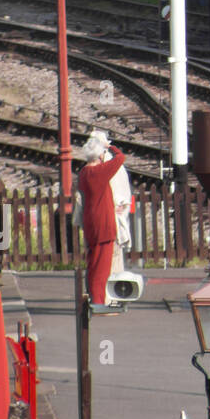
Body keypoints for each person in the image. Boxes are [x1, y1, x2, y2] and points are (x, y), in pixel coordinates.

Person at [76, 131, 127, 306]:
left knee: (92, 265)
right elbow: (120, 158)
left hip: (90, 224)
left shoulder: (83, 173)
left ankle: (92, 298)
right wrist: (109, 147)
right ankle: (98, 303)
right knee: (102, 269)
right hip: (104, 225)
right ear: (99, 154)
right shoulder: (101, 171)